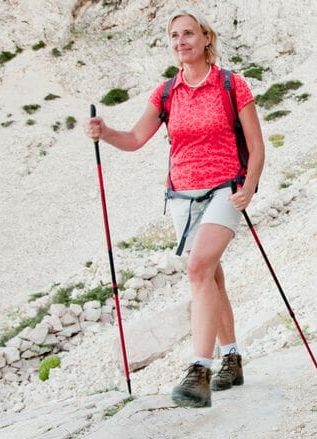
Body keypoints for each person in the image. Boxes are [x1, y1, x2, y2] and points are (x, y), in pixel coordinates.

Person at [85, 9, 265, 408]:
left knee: (198, 268)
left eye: (188, 33)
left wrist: (249, 187)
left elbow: (256, 145)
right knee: (212, 277)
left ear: (205, 38)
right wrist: (105, 133)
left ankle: (199, 370)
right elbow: (134, 139)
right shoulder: (166, 92)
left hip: (226, 189)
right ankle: (232, 358)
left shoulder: (232, 84)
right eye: (173, 35)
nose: (180, 41)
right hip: (182, 195)